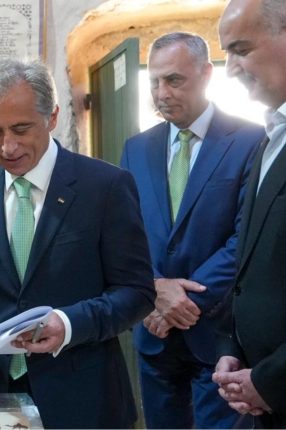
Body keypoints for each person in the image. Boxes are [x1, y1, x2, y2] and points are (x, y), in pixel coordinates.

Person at [0, 58, 155, 429]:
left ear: (52, 117)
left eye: (21, 129)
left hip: (85, 399)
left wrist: (68, 323)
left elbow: (137, 293)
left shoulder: (105, 187)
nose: (7, 146)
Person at [120, 32, 263, 429]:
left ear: (205, 74)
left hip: (220, 337)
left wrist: (183, 301)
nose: (161, 93)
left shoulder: (252, 140)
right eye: (154, 81)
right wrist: (154, 289)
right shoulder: (136, 148)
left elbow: (246, 237)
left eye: (174, 80)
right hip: (154, 331)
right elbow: (124, 235)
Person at [214, 0, 286, 427]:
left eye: (241, 50)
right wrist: (233, 346)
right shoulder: (271, 137)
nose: (230, 69)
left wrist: (271, 380)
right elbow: (255, 264)